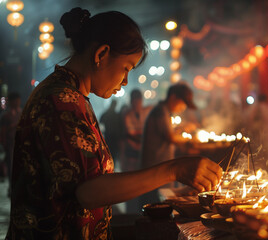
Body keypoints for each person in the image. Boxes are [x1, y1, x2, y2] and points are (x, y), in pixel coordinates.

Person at [6, 8, 222, 240]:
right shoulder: (61, 100)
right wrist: (174, 169)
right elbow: (89, 192)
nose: (126, 81)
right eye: (126, 68)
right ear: (101, 54)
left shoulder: (72, 97)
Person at [140, 82, 197, 203]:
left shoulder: (164, 111)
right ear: (173, 98)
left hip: (159, 167)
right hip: (155, 168)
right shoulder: (161, 111)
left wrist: (182, 129)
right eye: (183, 103)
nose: (183, 107)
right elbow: (170, 137)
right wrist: (189, 139)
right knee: (159, 204)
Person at [122, 89, 151, 172]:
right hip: (131, 148)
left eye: (139, 102)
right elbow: (130, 134)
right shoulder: (127, 115)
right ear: (131, 102)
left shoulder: (146, 111)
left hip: (144, 148)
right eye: (135, 102)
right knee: (131, 170)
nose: (137, 104)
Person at [0, 92, 22, 196]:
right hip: (10, 145)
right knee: (11, 166)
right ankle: (12, 187)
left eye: (18, 100)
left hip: (21, 143)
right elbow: (3, 131)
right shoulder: (6, 116)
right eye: (15, 100)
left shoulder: (21, 112)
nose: (17, 102)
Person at [100, 99, 122, 168]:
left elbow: (101, 122)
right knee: (112, 157)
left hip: (109, 138)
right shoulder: (117, 115)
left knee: (109, 156)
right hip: (113, 138)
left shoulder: (106, 114)